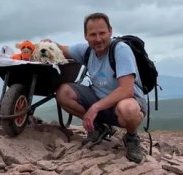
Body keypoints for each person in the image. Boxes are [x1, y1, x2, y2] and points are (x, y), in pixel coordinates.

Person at [53, 12, 147, 163]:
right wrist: (47, 44)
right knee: (63, 93)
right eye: (92, 34)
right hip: (100, 99)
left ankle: (131, 137)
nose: (98, 39)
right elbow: (61, 49)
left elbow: (126, 90)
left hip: (128, 102)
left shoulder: (121, 50)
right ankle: (100, 127)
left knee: (127, 108)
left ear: (110, 31)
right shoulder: (86, 50)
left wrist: (95, 108)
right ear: (86, 36)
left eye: (102, 33)